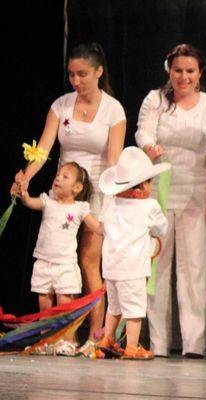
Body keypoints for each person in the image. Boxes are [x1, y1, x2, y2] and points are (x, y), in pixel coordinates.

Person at [11, 43, 126, 357]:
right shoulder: (60, 105)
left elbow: (114, 159)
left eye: (83, 74)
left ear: (99, 72)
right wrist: (26, 176)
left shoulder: (113, 109)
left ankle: (97, 335)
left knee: (89, 262)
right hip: (63, 193)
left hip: (97, 192)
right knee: (56, 260)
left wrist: (118, 199)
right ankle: (60, 336)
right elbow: (44, 150)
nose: (76, 80)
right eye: (72, 74)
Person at [135, 44, 206, 358]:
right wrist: (149, 146)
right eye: (178, 70)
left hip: (197, 189)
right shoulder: (156, 100)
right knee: (157, 264)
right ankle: (158, 344)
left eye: (190, 71)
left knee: (195, 267)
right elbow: (142, 132)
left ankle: (194, 344)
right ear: (169, 71)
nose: (183, 77)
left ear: (200, 73)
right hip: (159, 188)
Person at [19, 162, 103, 356]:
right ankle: (47, 340)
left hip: (65, 265)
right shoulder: (47, 201)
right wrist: (22, 191)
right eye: (58, 175)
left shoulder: (80, 208)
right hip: (44, 263)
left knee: (65, 306)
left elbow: (97, 228)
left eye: (65, 176)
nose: (58, 178)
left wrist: (114, 223)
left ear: (77, 188)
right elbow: (29, 202)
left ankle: (68, 340)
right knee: (45, 306)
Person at [96, 147, 169, 360]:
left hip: (111, 268)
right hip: (132, 269)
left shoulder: (111, 203)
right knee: (135, 310)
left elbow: (104, 227)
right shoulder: (149, 206)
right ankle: (132, 346)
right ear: (143, 184)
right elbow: (161, 229)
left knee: (114, 307)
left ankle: (107, 339)